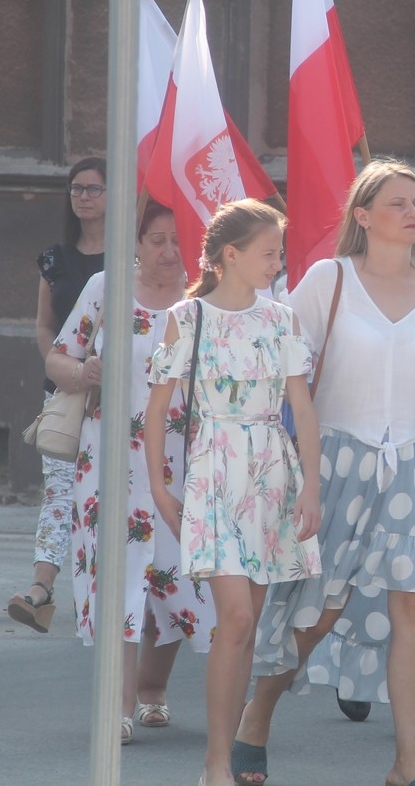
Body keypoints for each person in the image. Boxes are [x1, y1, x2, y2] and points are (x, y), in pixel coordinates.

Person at [233, 160, 415, 786]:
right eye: (399, 203)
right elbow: (286, 371)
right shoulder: (328, 279)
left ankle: (408, 765)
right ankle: (257, 715)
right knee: (319, 610)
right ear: (362, 216)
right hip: (336, 460)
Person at [144, 200, 322, 786]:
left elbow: (303, 408)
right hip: (214, 470)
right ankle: (216, 763)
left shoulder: (282, 319)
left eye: (279, 253)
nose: (277, 263)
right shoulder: (186, 317)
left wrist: (312, 487)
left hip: (272, 470)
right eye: (268, 253)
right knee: (237, 617)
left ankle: (225, 754)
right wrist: (160, 488)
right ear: (230, 255)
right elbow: (157, 410)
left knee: (247, 628)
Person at [47, 200, 215, 746]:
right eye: (157, 240)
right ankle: (119, 707)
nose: (169, 251)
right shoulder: (106, 288)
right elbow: (57, 357)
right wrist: (84, 371)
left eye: (178, 239)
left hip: (183, 462)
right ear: (136, 243)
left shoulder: (208, 297)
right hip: (111, 460)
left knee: (176, 575)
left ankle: (153, 688)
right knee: (118, 577)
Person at [8, 157, 107, 633]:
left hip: (120, 394)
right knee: (59, 492)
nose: (83, 197)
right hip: (68, 390)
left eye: (94, 188)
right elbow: (45, 326)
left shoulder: (132, 259)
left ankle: (117, 589)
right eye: (76, 189)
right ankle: (40, 588)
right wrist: (63, 368)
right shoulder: (55, 258)